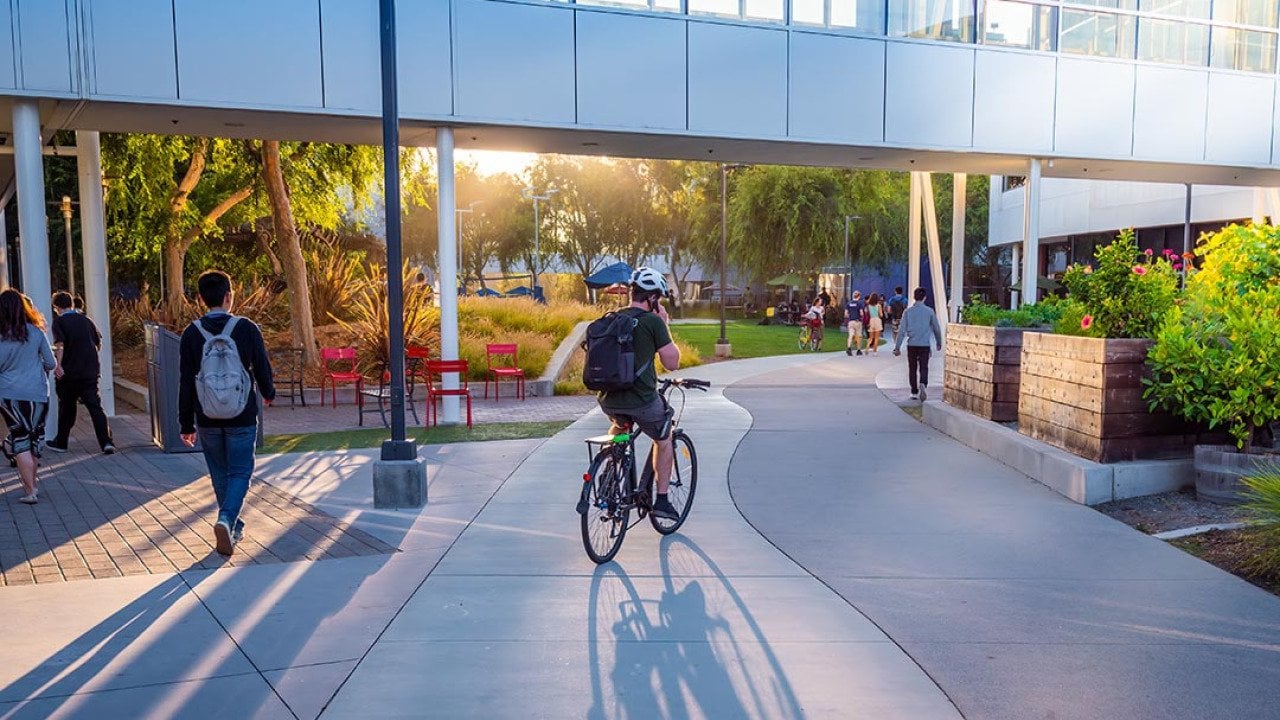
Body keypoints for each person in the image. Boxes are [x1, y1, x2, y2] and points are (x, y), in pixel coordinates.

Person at [179, 270, 275, 556]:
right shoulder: (246, 328)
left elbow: (186, 381)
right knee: (241, 471)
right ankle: (226, 519)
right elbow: (261, 366)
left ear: (200, 299)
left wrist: (186, 424)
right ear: (229, 296)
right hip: (242, 414)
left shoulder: (191, 333)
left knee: (220, 473)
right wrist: (268, 393)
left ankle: (232, 524)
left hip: (206, 416)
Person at [597, 267, 682, 521]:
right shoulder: (653, 322)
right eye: (660, 298)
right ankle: (663, 501)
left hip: (608, 399)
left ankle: (610, 472)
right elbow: (672, 363)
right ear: (653, 298)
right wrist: (664, 324)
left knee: (620, 425)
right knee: (664, 438)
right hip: (642, 400)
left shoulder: (613, 318)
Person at [0, 290, 56, 504]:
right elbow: (51, 363)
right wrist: (35, 367)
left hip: (9, 395)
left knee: (20, 438)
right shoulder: (36, 332)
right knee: (34, 437)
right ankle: (32, 484)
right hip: (38, 393)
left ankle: (30, 490)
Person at [47, 291, 114, 454]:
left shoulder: (59, 322)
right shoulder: (86, 320)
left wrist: (58, 365)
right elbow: (98, 344)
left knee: (67, 407)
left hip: (69, 372)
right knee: (95, 407)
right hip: (89, 371)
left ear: (56, 307)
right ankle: (106, 442)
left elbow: (60, 345)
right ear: (71, 304)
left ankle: (61, 442)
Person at [893, 287, 944, 401]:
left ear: (914, 297)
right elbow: (936, 328)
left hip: (912, 344)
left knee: (912, 368)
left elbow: (901, 331)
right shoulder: (930, 311)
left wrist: (897, 347)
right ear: (925, 297)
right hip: (924, 345)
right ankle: (923, 383)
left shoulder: (908, 312)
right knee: (924, 367)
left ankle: (914, 392)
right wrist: (939, 342)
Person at [844, 291, 867, 356]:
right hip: (858, 322)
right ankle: (858, 350)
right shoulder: (859, 304)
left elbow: (845, 314)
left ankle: (848, 348)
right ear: (859, 296)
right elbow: (861, 313)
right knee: (859, 336)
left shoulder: (848, 303)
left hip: (851, 322)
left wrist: (850, 316)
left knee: (851, 335)